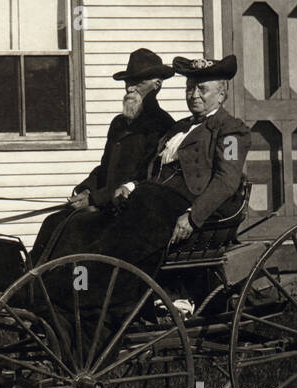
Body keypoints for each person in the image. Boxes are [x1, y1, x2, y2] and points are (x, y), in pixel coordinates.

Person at [104, 54, 251, 277]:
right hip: (159, 201)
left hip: (196, 205)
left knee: (146, 199)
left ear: (221, 95)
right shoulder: (178, 128)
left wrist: (193, 216)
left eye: (202, 89)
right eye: (189, 88)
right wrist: (131, 186)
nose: (194, 95)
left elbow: (227, 180)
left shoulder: (230, 130)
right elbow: (155, 171)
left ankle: (123, 292)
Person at [31, 48, 175, 263]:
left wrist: (95, 199)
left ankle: (62, 290)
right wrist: (86, 189)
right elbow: (104, 169)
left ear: (157, 84)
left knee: (74, 229)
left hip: (127, 212)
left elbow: (146, 179)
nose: (129, 87)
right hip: (103, 204)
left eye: (138, 82)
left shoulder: (162, 126)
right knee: (53, 222)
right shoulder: (119, 124)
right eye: (128, 81)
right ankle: (29, 285)